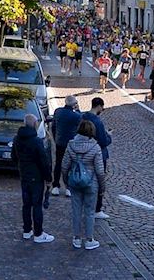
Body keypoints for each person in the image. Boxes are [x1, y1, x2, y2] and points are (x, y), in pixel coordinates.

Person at [61, 118, 106, 250]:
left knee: (76, 211)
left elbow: (64, 166)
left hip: (74, 182)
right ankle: (89, 239)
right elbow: (100, 170)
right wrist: (102, 188)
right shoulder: (95, 147)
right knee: (90, 212)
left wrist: (66, 181)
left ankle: (76, 238)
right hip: (91, 184)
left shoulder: (71, 145)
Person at [14, 113, 55, 243]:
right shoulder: (36, 141)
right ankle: (38, 233)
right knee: (37, 205)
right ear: (35, 124)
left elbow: (13, 157)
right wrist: (48, 178)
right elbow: (44, 162)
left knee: (26, 204)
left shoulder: (17, 139)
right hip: (36, 178)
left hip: (24, 176)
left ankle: (27, 230)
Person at [82, 98, 113, 219]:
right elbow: (103, 141)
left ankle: (86, 204)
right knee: (100, 180)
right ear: (99, 106)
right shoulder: (98, 122)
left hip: (85, 153)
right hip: (98, 155)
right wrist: (109, 136)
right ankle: (97, 209)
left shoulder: (83, 117)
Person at [51, 94, 82, 197]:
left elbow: (53, 126)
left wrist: (56, 137)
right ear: (74, 104)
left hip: (59, 142)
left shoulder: (58, 111)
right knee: (71, 165)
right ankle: (68, 187)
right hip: (71, 144)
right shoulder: (76, 116)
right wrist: (78, 110)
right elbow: (81, 122)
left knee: (58, 163)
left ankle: (55, 185)